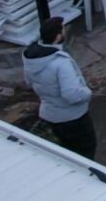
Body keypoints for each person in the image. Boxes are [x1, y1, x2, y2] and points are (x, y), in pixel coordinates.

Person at [21, 14, 95, 156]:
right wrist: (87, 93)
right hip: (73, 118)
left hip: (51, 115)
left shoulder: (30, 58)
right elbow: (72, 95)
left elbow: (29, 81)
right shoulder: (61, 63)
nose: (65, 31)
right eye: (62, 29)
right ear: (57, 37)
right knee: (86, 151)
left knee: (69, 151)